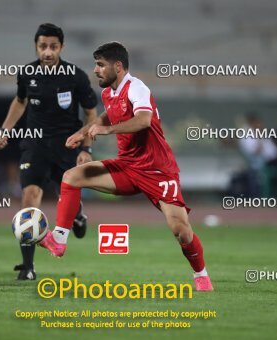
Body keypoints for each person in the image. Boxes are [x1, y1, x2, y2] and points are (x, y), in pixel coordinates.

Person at [39, 42, 213, 291]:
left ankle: (201, 276)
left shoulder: (137, 88)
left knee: (180, 231)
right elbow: (105, 116)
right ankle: (58, 240)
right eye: (95, 64)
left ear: (118, 66)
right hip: (128, 168)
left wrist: (106, 130)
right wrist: (83, 132)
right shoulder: (109, 92)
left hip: (157, 170)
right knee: (72, 177)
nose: (96, 70)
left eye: (101, 65)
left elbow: (143, 120)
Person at [0, 23, 98, 280]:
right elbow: (19, 101)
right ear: (36, 46)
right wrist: (4, 131)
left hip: (67, 144)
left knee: (66, 194)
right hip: (35, 144)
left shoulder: (76, 76)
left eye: (53, 46)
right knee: (29, 197)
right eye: (42, 46)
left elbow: (91, 112)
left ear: (61, 47)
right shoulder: (27, 73)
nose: (47, 52)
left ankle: (77, 214)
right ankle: (28, 267)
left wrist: (86, 147)